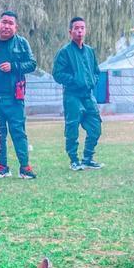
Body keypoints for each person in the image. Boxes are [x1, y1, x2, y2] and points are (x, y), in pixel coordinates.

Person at [0, 11, 37, 180]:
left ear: (16, 27)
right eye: (4, 22)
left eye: (10, 23)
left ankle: (25, 167)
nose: (6, 26)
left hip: (15, 97)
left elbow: (32, 64)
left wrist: (14, 66)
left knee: (18, 132)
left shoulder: (22, 43)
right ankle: (2, 167)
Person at [53, 17, 103, 171]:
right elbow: (57, 73)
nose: (80, 31)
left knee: (96, 126)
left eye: (82, 28)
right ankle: (74, 160)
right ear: (70, 32)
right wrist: (75, 80)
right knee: (72, 127)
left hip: (88, 95)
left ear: (85, 30)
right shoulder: (64, 52)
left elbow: (96, 71)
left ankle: (88, 158)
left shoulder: (90, 51)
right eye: (76, 28)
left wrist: (92, 81)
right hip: (72, 95)